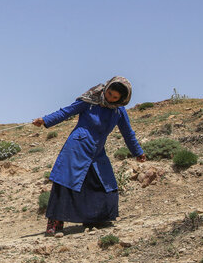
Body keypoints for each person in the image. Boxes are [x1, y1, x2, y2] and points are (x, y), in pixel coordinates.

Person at [32, 76, 146, 236]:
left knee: (104, 184)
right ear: (106, 89)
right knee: (65, 183)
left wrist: (138, 151)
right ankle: (55, 222)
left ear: (122, 99)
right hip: (77, 147)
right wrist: (45, 120)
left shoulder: (119, 111)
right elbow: (66, 112)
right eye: (109, 94)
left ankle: (96, 219)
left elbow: (128, 133)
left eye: (115, 97)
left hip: (97, 152)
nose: (110, 98)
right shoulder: (90, 101)